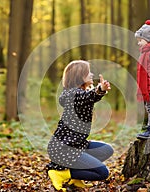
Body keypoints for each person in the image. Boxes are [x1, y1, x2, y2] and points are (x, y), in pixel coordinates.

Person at [46, 60, 114, 191]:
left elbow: (88, 97)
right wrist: (99, 89)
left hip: (77, 144)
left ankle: (75, 179)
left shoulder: (78, 94)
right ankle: (61, 174)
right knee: (102, 173)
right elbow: (88, 96)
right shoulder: (72, 94)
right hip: (64, 148)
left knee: (107, 150)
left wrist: (99, 92)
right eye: (88, 72)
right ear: (79, 76)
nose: (91, 74)